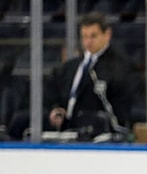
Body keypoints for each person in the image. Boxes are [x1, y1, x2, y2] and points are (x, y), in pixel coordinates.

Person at [7, 11, 138, 141]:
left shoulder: (119, 67)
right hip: (65, 126)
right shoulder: (72, 66)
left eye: (93, 36)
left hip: (92, 130)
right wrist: (55, 110)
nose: (88, 42)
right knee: (20, 120)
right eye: (84, 36)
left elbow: (119, 109)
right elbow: (53, 91)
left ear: (107, 35)